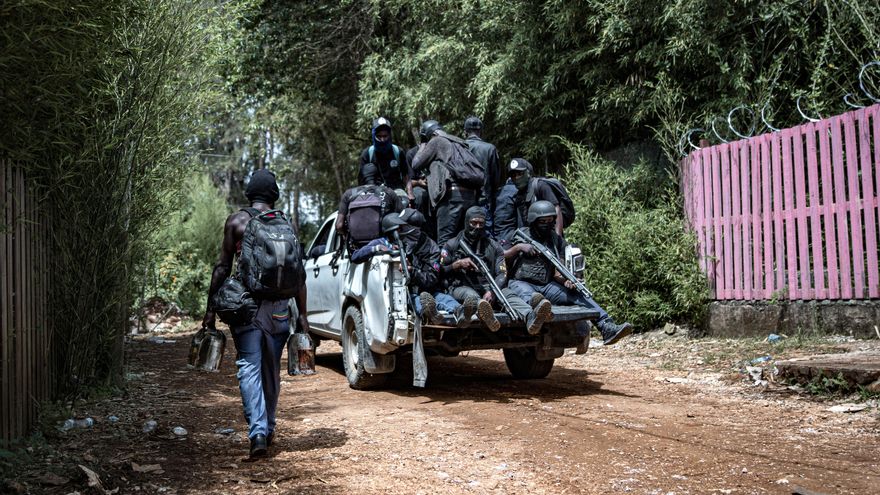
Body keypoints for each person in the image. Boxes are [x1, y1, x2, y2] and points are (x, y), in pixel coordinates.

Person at [202, 169, 308, 458]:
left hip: (246, 307)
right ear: (274, 196)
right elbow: (300, 274)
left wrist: (210, 311)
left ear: (249, 194)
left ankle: (258, 432)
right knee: (271, 369)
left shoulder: (237, 221)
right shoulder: (286, 224)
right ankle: (270, 426)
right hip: (280, 310)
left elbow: (223, 267)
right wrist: (303, 317)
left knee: (249, 366)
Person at [505, 201, 633, 350]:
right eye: (543, 221)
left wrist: (567, 281)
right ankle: (536, 313)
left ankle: (606, 325)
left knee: (578, 294)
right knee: (529, 295)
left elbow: (558, 269)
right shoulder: (519, 235)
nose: (548, 224)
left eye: (550, 220)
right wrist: (519, 248)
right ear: (534, 221)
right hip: (521, 282)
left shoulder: (555, 240)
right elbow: (499, 256)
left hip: (546, 285)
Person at [442, 206, 553, 334]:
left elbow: (502, 273)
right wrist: (457, 264)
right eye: (474, 223)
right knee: (471, 297)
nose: (477, 227)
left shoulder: (493, 246)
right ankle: (484, 312)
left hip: (489, 286)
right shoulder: (452, 244)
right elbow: (441, 271)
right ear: (467, 222)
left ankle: (530, 316)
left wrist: (492, 292)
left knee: (508, 295)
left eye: (481, 223)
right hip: (461, 286)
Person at [350, 212, 466, 325]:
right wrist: (377, 249)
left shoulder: (428, 245)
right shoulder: (384, 242)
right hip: (404, 293)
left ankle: (462, 312)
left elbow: (431, 277)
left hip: (425, 288)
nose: (401, 232)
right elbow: (355, 256)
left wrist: (412, 271)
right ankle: (429, 314)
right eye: (399, 229)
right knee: (417, 300)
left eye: (403, 228)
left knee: (441, 298)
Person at [411, 119, 484, 245]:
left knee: (445, 241)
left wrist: (423, 143)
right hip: (470, 197)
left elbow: (416, 164)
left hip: (452, 199)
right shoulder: (459, 142)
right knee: (464, 241)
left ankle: (445, 265)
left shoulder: (437, 141)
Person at [335, 162, 404, 248]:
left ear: (360, 177)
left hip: (357, 249)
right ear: (378, 177)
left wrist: (347, 237)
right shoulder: (388, 192)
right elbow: (404, 218)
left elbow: (339, 225)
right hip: (387, 246)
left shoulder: (348, 194)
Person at [497, 158, 565, 237]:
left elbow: (556, 209)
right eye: (513, 175)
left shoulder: (540, 186)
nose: (516, 178)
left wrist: (558, 238)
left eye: (520, 174)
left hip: (550, 237)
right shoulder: (518, 195)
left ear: (528, 172)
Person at [358, 117, 413, 198]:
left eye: (385, 136)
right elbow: (361, 180)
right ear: (374, 135)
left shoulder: (398, 151)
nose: (382, 139)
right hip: (374, 192)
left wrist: (410, 194)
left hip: (397, 191)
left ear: (389, 135)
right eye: (379, 136)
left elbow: (406, 176)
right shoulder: (367, 154)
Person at [463, 116, 501, 220]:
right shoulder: (490, 148)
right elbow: (495, 179)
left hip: (462, 199)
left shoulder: (459, 147)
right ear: (480, 130)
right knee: (484, 230)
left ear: (465, 131)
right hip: (483, 200)